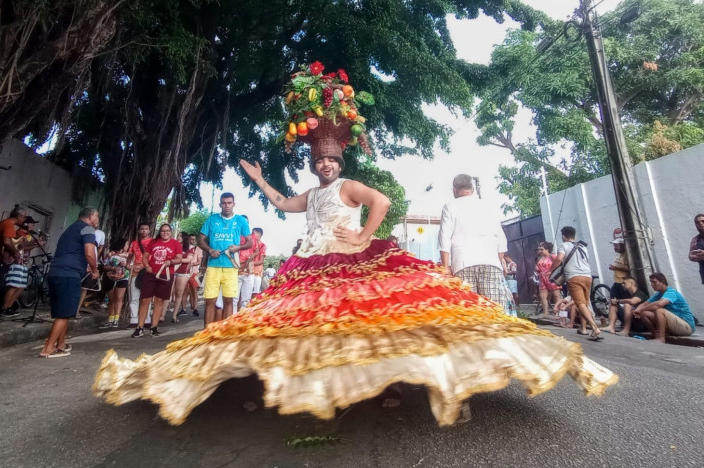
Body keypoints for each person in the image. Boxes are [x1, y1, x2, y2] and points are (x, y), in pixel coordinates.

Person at [96, 130, 617, 426]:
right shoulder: (312, 192)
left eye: (329, 160)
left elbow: (383, 202)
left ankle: (388, 384)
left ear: (337, 162)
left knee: (376, 320)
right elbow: (282, 203)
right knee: (310, 325)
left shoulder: (347, 184)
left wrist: (365, 237)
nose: (324, 166)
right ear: (311, 163)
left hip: (352, 258)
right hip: (312, 259)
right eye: (318, 160)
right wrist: (258, 181)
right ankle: (326, 383)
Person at [438, 174, 515, 316]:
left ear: (454, 189)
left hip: (462, 265)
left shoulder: (450, 207)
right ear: (472, 188)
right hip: (491, 264)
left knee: (469, 314)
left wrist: (445, 266)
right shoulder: (487, 206)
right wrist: (501, 260)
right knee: (495, 312)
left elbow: (444, 239)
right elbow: (500, 238)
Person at [39, 207, 100, 357]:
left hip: (56, 272)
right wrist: (95, 269)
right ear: (91, 216)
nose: (97, 220)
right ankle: (48, 348)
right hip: (69, 274)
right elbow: (90, 254)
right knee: (64, 313)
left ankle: (61, 344)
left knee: (63, 312)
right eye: (97, 216)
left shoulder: (70, 229)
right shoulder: (88, 229)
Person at [197, 193, 252, 324]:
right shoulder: (212, 219)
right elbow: (200, 239)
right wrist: (210, 249)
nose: (226, 206)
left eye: (229, 203)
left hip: (230, 267)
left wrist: (238, 248)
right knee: (210, 301)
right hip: (213, 265)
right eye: (224, 203)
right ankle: (207, 334)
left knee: (229, 301)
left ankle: (225, 335)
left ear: (234, 204)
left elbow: (250, 242)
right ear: (220, 204)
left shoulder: (241, 221)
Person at [550, 226, 603, 340]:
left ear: (563, 236)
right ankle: (583, 328)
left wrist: (550, 270)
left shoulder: (563, 245)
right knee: (584, 303)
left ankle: (594, 328)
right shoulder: (583, 246)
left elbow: (559, 259)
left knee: (580, 303)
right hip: (587, 276)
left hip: (574, 277)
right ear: (574, 235)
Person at [131, 224, 182, 338]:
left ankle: (154, 327)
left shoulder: (175, 243)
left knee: (159, 301)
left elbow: (179, 258)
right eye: (163, 231)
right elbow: (145, 257)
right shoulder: (154, 242)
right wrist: (147, 266)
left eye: (167, 231)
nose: (165, 233)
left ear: (170, 232)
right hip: (152, 274)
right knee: (145, 300)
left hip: (166, 275)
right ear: (160, 232)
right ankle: (140, 327)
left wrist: (171, 262)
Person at [633, 272, 695, 343]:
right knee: (643, 313)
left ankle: (661, 338)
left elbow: (659, 304)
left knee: (659, 310)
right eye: (651, 282)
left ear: (662, 281)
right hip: (674, 325)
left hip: (686, 327)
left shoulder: (671, 292)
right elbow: (643, 304)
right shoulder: (658, 294)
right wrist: (637, 310)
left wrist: (640, 310)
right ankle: (656, 336)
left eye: (654, 282)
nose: (652, 285)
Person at [0, 215, 42, 318]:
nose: (33, 227)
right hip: (17, 262)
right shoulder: (19, 233)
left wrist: (36, 243)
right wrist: (36, 244)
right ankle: (4, 308)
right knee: (14, 286)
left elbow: (26, 248)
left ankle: (10, 306)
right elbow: (20, 247)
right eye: (32, 224)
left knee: (21, 287)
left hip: (23, 263)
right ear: (26, 224)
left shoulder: (28, 235)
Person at [99, 238, 131, 329]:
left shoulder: (128, 256)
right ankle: (110, 319)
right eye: (126, 244)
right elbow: (104, 266)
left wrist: (126, 265)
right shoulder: (110, 254)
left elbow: (131, 267)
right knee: (111, 299)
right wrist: (113, 268)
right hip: (110, 278)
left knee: (119, 298)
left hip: (123, 278)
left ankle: (116, 319)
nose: (127, 246)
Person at [127, 223, 153, 328]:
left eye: (146, 229)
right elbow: (129, 256)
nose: (144, 231)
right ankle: (134, 320)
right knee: (134, 297)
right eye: (142, 229)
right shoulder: (134, 243)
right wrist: (129, 265)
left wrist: (143, 266)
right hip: (135, 273)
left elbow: (153, 257)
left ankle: (146, 320)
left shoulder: (153, 243)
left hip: (147, 272)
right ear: (139, 231)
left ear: (149, 231)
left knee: (146, 297)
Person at [171, 232, 196, 323]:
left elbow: (189, 259)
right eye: (177, 235)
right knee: (168, 293)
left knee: (179, 293)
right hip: (171, 270)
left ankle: (174, 315)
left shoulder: (190, 248)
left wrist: (176, 261)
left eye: (180, 236)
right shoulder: (173, 245)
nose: (178, 237)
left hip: (183, 272)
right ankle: (161, 315)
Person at [535, 242, 562, 317]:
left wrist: (552, 271)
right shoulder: (540, 258)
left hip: (551, 278)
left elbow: (559, 264)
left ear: (547, 249)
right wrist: (537, 269)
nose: (540, 251)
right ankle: (545, 313)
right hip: (542, 278)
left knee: (556, 296)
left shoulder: (552, 256)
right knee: (543, 296)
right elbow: (539, 268)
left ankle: (559, 313)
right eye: (539, 249)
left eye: (542, 249)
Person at [185, 234, 204, 316]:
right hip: (184, 271)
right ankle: (183, 308)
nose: (193, 241)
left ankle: (195, 308)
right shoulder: (184, 248)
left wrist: (192, 264)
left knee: (194, 290)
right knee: (185, 291)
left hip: (194, 272)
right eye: (191, 239)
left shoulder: (198, 249)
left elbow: (199, 261)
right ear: (188, 239)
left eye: (194, 239)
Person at [688, 213, 704, 285]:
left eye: (703, 221)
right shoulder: (696, 239)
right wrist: (699, 256)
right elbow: (690, 256)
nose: (701, 224)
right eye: (698, 222)